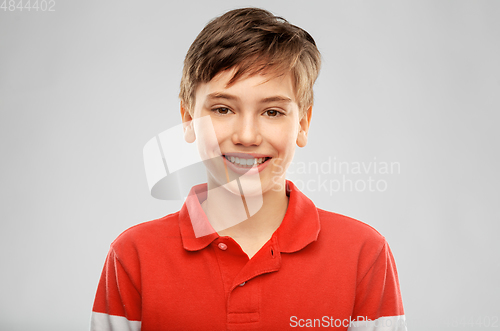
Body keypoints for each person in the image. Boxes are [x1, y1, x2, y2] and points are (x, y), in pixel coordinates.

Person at [91, 7, 406, 331]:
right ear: (188, 120)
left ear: (303, 123)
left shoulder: (364, 254)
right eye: (223, 109)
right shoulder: (133, 257)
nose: (246, 136)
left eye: (271, 112)